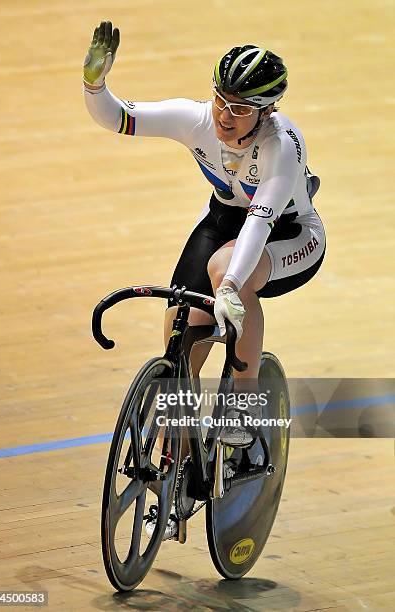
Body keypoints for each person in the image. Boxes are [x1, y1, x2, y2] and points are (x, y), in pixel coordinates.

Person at [84, 21, 326, 536]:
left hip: (287, 234)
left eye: (239, 109)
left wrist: (233, 289)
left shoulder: (282, 147)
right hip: (224, 222)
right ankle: (181, 453)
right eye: (220, 100)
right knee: (179, 330)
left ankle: (244, 402)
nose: (224, 115)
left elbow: (260, 222)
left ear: (267, 113)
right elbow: (119, 119)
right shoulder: (195, 120)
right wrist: (94, 85)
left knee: (223, 273)